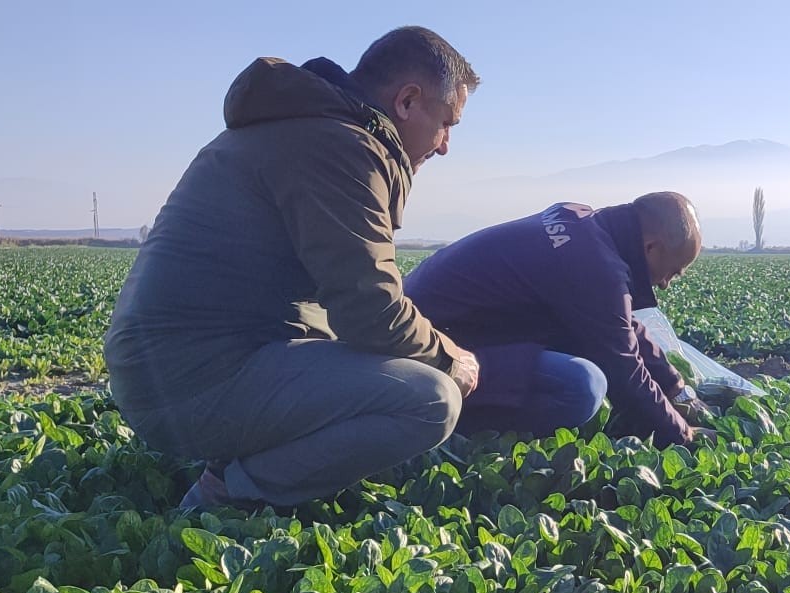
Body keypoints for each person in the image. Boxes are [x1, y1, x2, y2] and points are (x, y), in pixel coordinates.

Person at [102, 26, 484, 510]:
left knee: (388, 367)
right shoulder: (342, 147)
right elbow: (371, 311)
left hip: (170, 368)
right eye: (447, 122)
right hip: (186, 384)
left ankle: (240, 451)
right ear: (408, 101)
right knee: (430, 398)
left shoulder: (306, 126)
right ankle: (226, 492)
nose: (446, 144)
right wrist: (451, 358)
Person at [402, 192, 716, 447]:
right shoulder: (594, 268)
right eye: (674, 272)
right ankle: (454, 432)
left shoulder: (581, 222)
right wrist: (683, 435)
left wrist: (677, 389)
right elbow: (624, 368)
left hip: (427, 322)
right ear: (651, 247)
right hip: (427, 350)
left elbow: (619, 325)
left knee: (584, 354)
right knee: (582, 386)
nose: (665, 284)